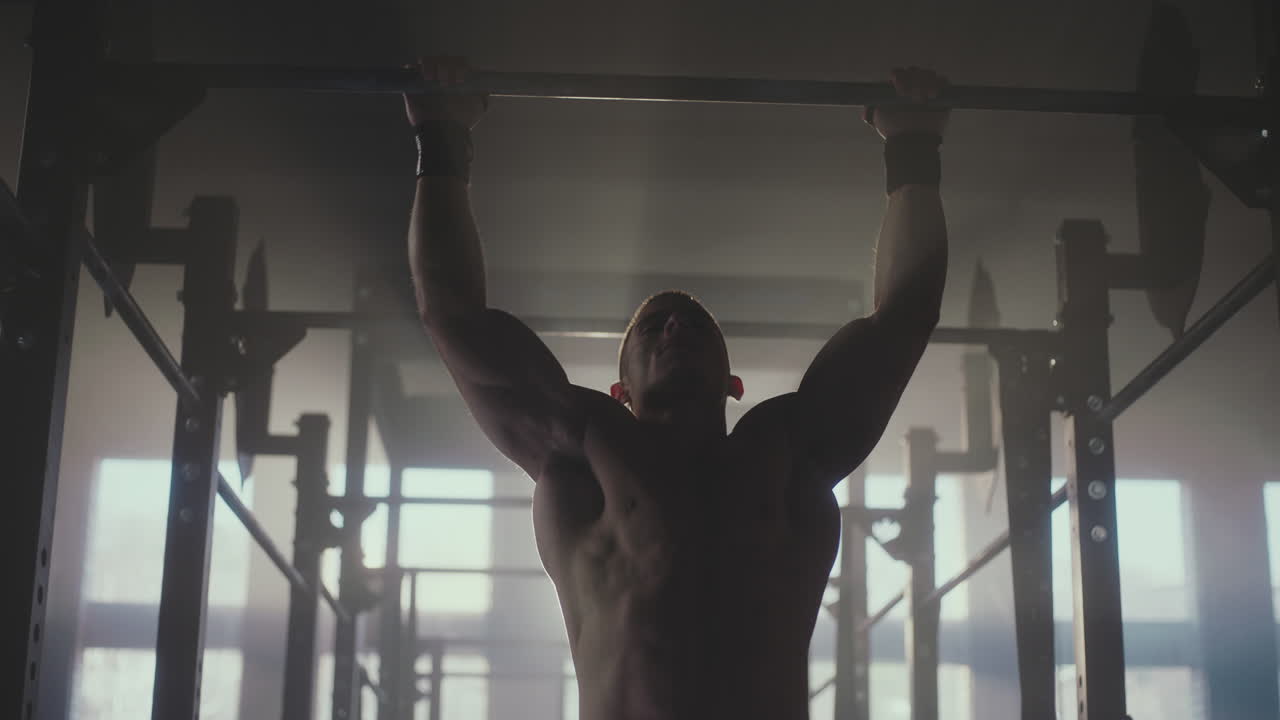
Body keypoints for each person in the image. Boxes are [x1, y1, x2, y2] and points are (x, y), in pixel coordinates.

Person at [403, 58, 949, 720]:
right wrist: (441, 131)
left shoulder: (783, 451)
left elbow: (904, 319)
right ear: (619, 387)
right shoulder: (585, 457)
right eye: (650, 328)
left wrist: (912, 142)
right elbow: (451, 316)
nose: (671, 326)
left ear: (733, 382)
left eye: (692, 325)